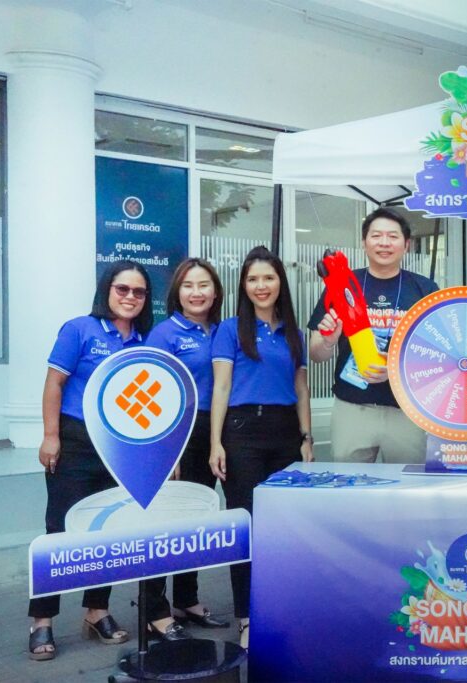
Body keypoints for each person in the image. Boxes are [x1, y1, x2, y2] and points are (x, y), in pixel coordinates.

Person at [28, 260, 153, 660]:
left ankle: (97, 611)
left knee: (108, 530)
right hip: (75, 441)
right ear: (107, 290)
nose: (130, 297)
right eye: (122, 289)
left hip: (119, 448)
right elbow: (54, 383)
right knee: (59, 529)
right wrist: (51, 436)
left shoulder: (143, 342)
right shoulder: (79, 329)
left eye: (138, 291)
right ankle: (42, 620)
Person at [210, 246, 313, 648]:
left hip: (286, 433)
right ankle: (248, 616)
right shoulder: (230, 330)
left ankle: (281, 608)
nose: (261, 286)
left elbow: (301, 389)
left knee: (284, 526)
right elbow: (221, 387)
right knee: (247, 526)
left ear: (280, 283)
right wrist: (216, 442)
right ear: (243, 286)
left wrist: (306, 438)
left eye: (268, 278)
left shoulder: (294, 333)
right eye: (252, 279)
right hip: (242, 433)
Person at [308, 208, 438, 463]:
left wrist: (397, 370)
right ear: (364, 242)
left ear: (406, 245)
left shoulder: (425, 289)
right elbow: (316, 354)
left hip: (406, 410)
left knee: (407, 483)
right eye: (376, 235)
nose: (384, 243)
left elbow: (438, 355)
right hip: (352, 408)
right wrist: (328, 341)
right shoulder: (340, 283)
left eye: (393, 236)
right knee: (349, 483)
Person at [143, 258, 229, 640]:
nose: (197, 293)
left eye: (204, 285)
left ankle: (186, 600)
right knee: (166, 523)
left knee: (195, 521)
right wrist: (169, 449)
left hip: (213, 432)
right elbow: (153, 393)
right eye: (188, 285)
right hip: (178, 434)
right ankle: (154, 610)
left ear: (216, 291)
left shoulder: (223, 331)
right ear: (177, 292)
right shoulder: (164, 334)